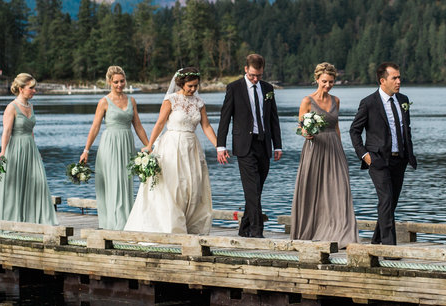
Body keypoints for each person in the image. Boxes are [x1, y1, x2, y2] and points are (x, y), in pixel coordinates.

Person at [124, 67, 218, 235]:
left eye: (196, 86)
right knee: (174, 187)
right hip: (172, 147)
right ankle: (170, 227)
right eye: (190, 86)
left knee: (193, 187)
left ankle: (190, 226)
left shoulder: (199, 102)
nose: (193, 89)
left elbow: (206, 126)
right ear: (181, 83)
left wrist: (219, 146)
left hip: (192, 148)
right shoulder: (171, 100)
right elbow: (160, 123)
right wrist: (149, 145)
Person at [290, 62, 359, 245]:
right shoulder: (307, 101)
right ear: (317, 79)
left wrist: (341, 152)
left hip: (334, 148)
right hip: (314, 148)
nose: (328, 85)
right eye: (325, 82)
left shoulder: (336, 100)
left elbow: (336, 127)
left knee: (339, 189)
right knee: (313, 189)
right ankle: (312, 230)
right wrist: (305, 133)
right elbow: (300, 127)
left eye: (331, 82)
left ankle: (340, 233)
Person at [216, 53, 282, 238]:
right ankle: (256, 231)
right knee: (252, 188)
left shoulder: (268, 88)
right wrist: (220, 146)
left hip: (264, 144)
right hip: (244, 145)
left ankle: (244, 227)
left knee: (256, 188)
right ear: (246, 69)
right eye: (252, 75)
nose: (255, 79)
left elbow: (273, 119)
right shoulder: (234, 88)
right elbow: (225, 119)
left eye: (259, 75)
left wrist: (278, 146)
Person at [349, 61, 416, 245]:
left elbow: (406, 128)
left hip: (399, 159)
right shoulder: (369, 103)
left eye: (399, 77)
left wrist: (409, 152)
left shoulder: (403, 100)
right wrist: (365, 155)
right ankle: (389, 247)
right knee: (385, 199)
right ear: (382, 80)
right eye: (394, 78)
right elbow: (354, 131)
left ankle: (377, 239)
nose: (398, 81)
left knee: (391, 202)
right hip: (377, 159)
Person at [80, 66, 149, 229]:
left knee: (125, 181)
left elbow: (138, 126)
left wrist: (148, 145)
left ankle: (127, 220)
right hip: (110, 145)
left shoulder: (131, 101)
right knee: (113, 182)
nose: (119, 85)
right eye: (116, 82)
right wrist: (86, 150)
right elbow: (95, 127)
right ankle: (113, 222)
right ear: (109, 82)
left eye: (122, 81)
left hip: (126, 143)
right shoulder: (104, 102)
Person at [0, 73, 58, 224]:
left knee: (38, 182)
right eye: (31, 88)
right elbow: (6, 131)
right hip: (15, 149)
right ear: (21, 88)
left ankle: (37, 219)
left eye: (34, 88)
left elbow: (30, 131)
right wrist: (3, 153)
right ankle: (10, 219)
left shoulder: (31, 106)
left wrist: (36, 150)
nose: (34, 91)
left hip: (30, 149)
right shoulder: (11, 107)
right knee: (14, 185)